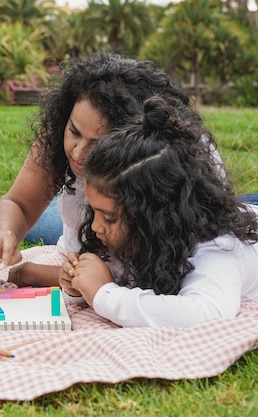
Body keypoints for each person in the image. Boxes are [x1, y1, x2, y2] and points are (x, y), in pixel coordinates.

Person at [0, 52, 224, 287]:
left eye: (97, 143)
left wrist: (31, 273)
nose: (78, 153)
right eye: (74, 132)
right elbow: (19, 202)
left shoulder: (165, 177)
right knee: (43, 222)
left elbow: (128, 279)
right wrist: (4, 234)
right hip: (76, 224)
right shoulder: (64, 130)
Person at [59, 97, 258, 328]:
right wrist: (79, 286)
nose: (94, 226)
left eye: (109, 217)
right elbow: (124, 278)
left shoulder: (219, 248)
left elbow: (206, 313)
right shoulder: (145, 237)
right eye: (94, 212)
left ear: (156, 218)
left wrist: (104, 295)